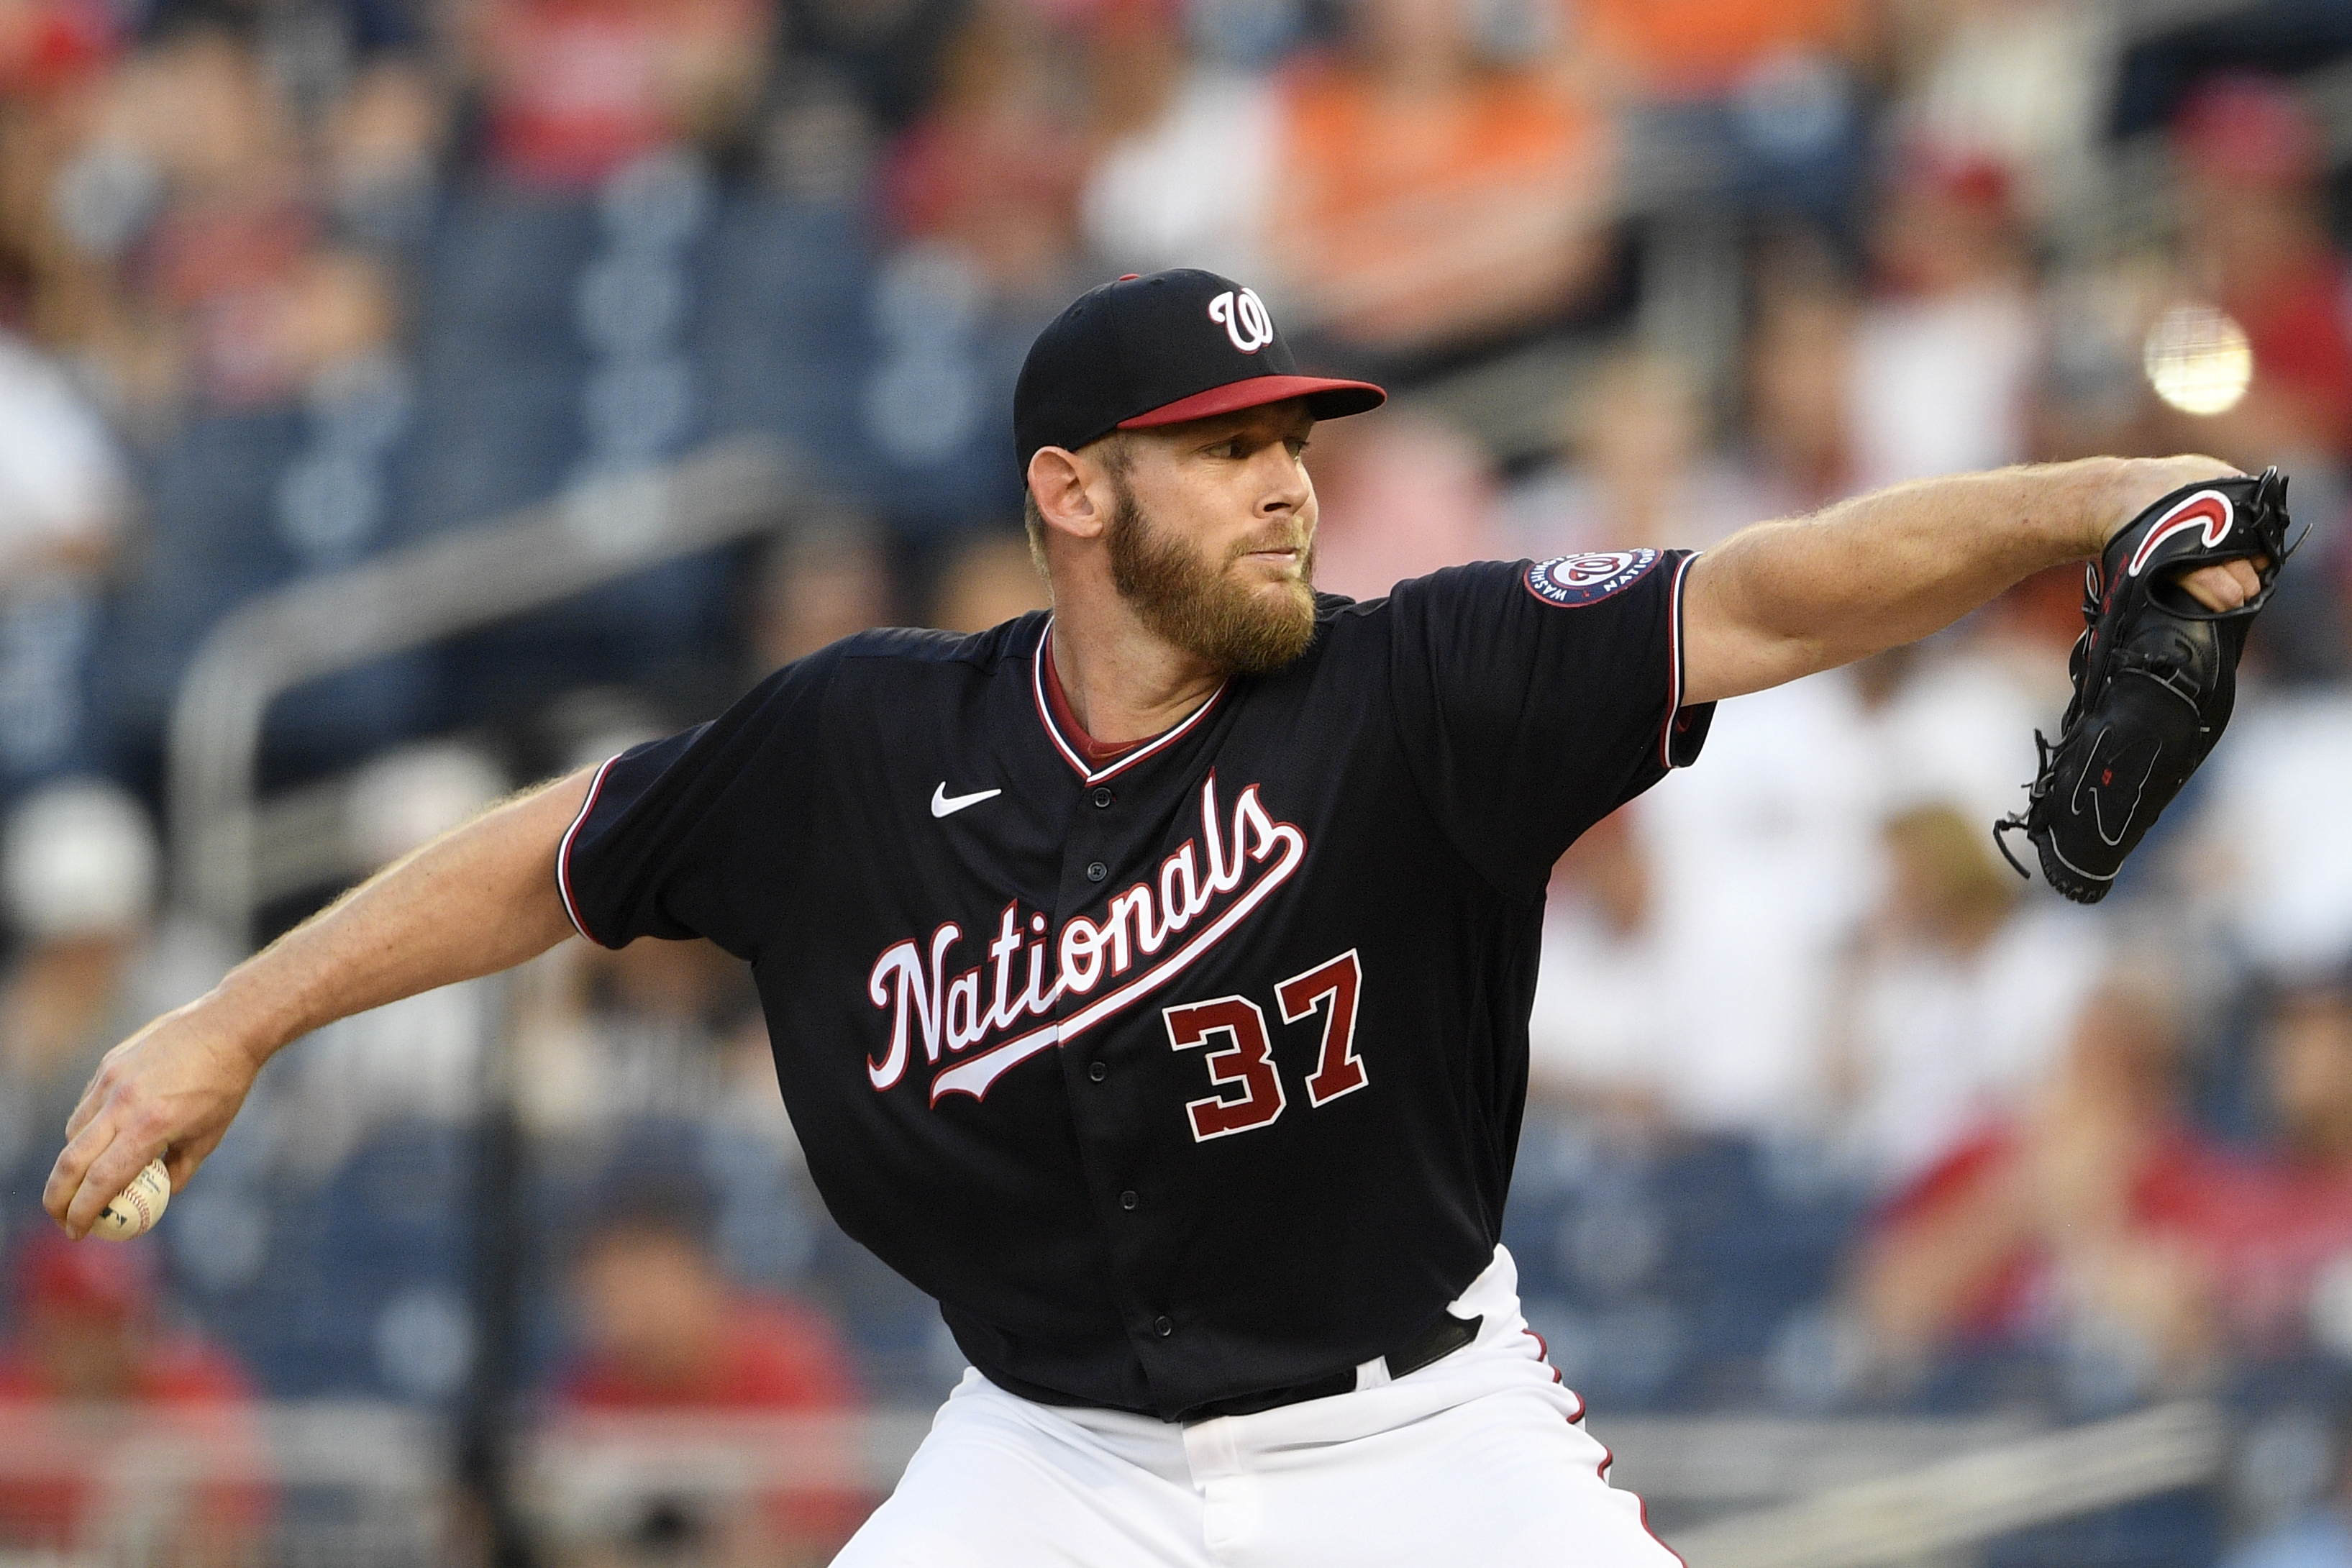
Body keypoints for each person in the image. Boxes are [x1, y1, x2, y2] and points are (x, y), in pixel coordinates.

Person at [45, 268, 2266, 1564]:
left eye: (1296, 433)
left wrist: (2100, 497)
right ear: (1073, 492)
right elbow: (556, 848)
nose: (1289, 475)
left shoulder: (1424, 681)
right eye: (1225, 446)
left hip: (1420, 1452)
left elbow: (1770, 586)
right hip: (1051, 1459)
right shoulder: (856, 746)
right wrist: (233, 1018)